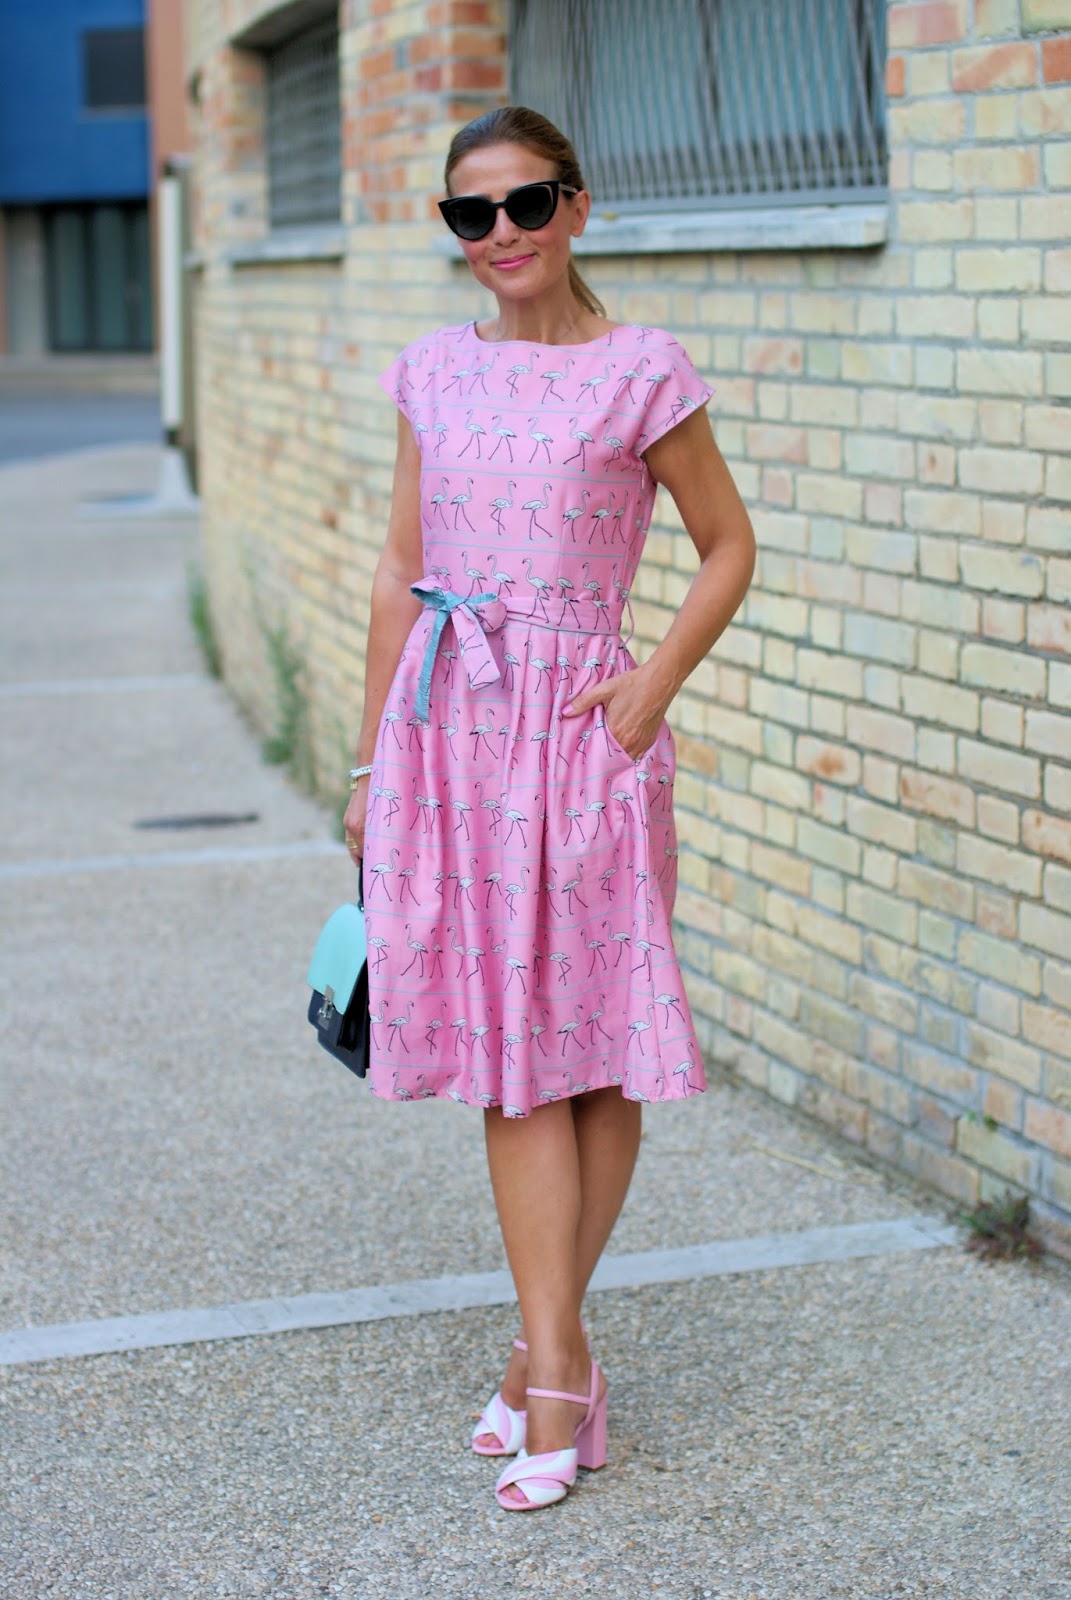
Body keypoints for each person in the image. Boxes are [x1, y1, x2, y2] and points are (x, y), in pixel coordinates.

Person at [343, 106, 755, 1511]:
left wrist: (652, 690)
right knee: (508, 1050)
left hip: (584, 733)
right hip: (451, 735)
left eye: (526, 205)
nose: (501, 236)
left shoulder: (643, 371)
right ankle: (557, 1354)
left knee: (582, 1051)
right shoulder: (428, 376)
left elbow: (726, 545)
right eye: (472, 215)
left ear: (578, 208)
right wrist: (363, 765)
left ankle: (551, 1364)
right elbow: (403, 565)